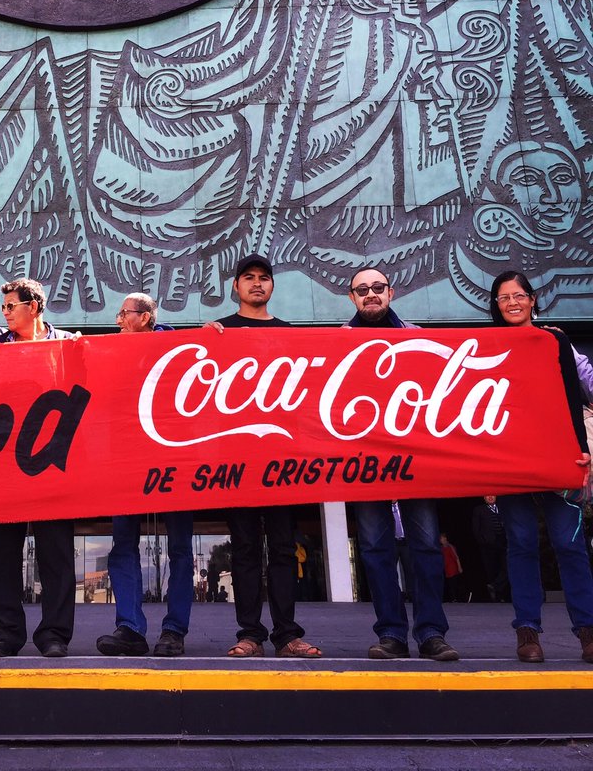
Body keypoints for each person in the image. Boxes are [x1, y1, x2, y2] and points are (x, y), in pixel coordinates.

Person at [207, 255, 322, 659]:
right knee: (245, 548)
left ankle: (288, 634)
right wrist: (202, 343)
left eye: (264, 278)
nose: (257, 283)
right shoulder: (219, 332)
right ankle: (250, 634)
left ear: (272, 286)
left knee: (284, 547)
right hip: (237, 458)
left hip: (282, 457)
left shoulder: (290, 334)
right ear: (235, 286)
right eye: (249, 278)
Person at [345, 267, 459, 661]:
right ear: (351, 298)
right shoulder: (336, 343)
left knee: (425, 546)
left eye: (377, 287)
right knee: (375, 549)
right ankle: (391, 633)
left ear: (390, 292)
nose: (371, 294)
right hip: (364, 462)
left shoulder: (419, 337)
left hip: (416, 458)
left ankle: (431, 633)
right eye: (362, 289)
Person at [488, 270, 593, 663]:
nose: (512, 303)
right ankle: (527, 632)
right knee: (521, 543)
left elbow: (580, 391)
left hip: (559, 457)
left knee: (569, 544)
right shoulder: (486, 346)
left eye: (519, 295)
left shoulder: (556, 341)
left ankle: (588, 632)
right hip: (510, 460)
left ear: (532, 300)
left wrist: (585, 449)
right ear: (495, 305)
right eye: (504, 297)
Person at [0, 278, 77, 658]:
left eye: (11, 306)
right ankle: (7, 633)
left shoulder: (69, 346)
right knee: (2, 554)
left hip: (53, 464)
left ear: (33, 307)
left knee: (56, 553)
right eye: (3, 307)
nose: (4, 313)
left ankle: (54, 634)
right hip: (3, 466)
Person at [97, 293, 193, 657]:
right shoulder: (110, 351)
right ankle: (130, 628)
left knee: (180, 548)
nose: (119, 319)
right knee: (123, 544)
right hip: (126, 461)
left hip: (174, 460)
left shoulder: (179, 349)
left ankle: (174, 631)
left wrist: (216, 333)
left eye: (125, 313)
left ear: (147, 317)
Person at [471, 496, 509, 602]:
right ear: (484, 498)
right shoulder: (479, 509)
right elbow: (476, 527)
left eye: (492, 495)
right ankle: (497, 597)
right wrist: (482, 540)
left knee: (507, 566)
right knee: (492, 568)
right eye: (488, 495)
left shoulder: (503, 507)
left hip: (504, 542)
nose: (490, 497)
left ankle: (496, 587)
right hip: (488, 544)